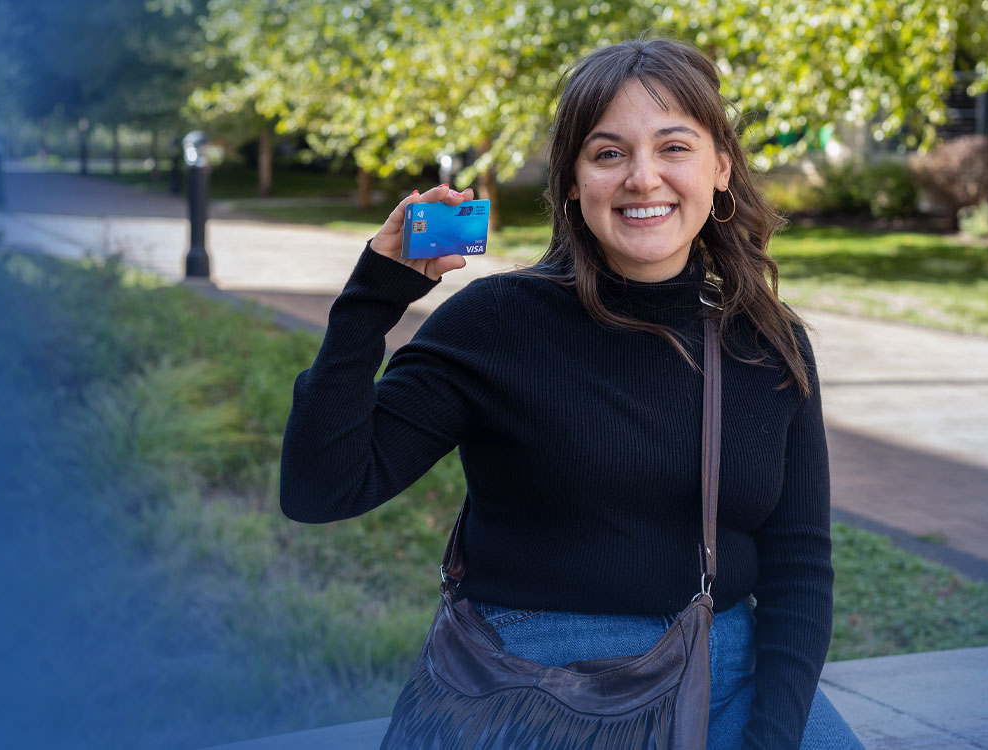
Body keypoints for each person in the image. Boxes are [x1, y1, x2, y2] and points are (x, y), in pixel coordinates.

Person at [279, 38, 865, 750]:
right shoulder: (497, 322)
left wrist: (771, 738)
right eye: (608, 153)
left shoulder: (767, 342)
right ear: (571, 183)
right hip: (536, 678)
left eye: (673, 147)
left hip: (729, 668)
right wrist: (371, 299)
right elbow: (321, 489)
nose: (643, 178)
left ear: (721, 168)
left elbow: (800, 560)